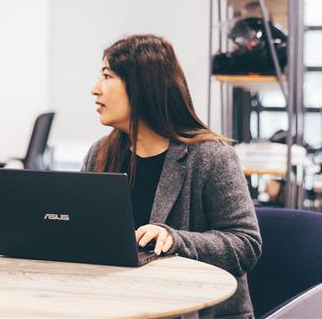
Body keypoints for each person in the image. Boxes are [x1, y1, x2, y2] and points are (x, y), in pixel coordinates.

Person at [83, 34, 261, 319]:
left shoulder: (211, 156)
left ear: (142, 86)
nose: (95, 89)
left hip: (194, 310)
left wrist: (175, 240)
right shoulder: (100, 153)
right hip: (117, 305)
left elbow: (245, 244)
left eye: (107, 76)